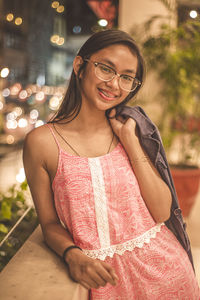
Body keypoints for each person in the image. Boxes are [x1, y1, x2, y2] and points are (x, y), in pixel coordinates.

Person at [23, 29, 200, 299]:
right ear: (80, 66)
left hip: (168, 276)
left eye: (127, 77)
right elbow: (49, 224)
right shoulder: (42, 142)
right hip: (105, 283)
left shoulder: (131, 129)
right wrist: (73, 255)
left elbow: (162, 211)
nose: (114, 85)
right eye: (106, 69)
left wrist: (130, 141)